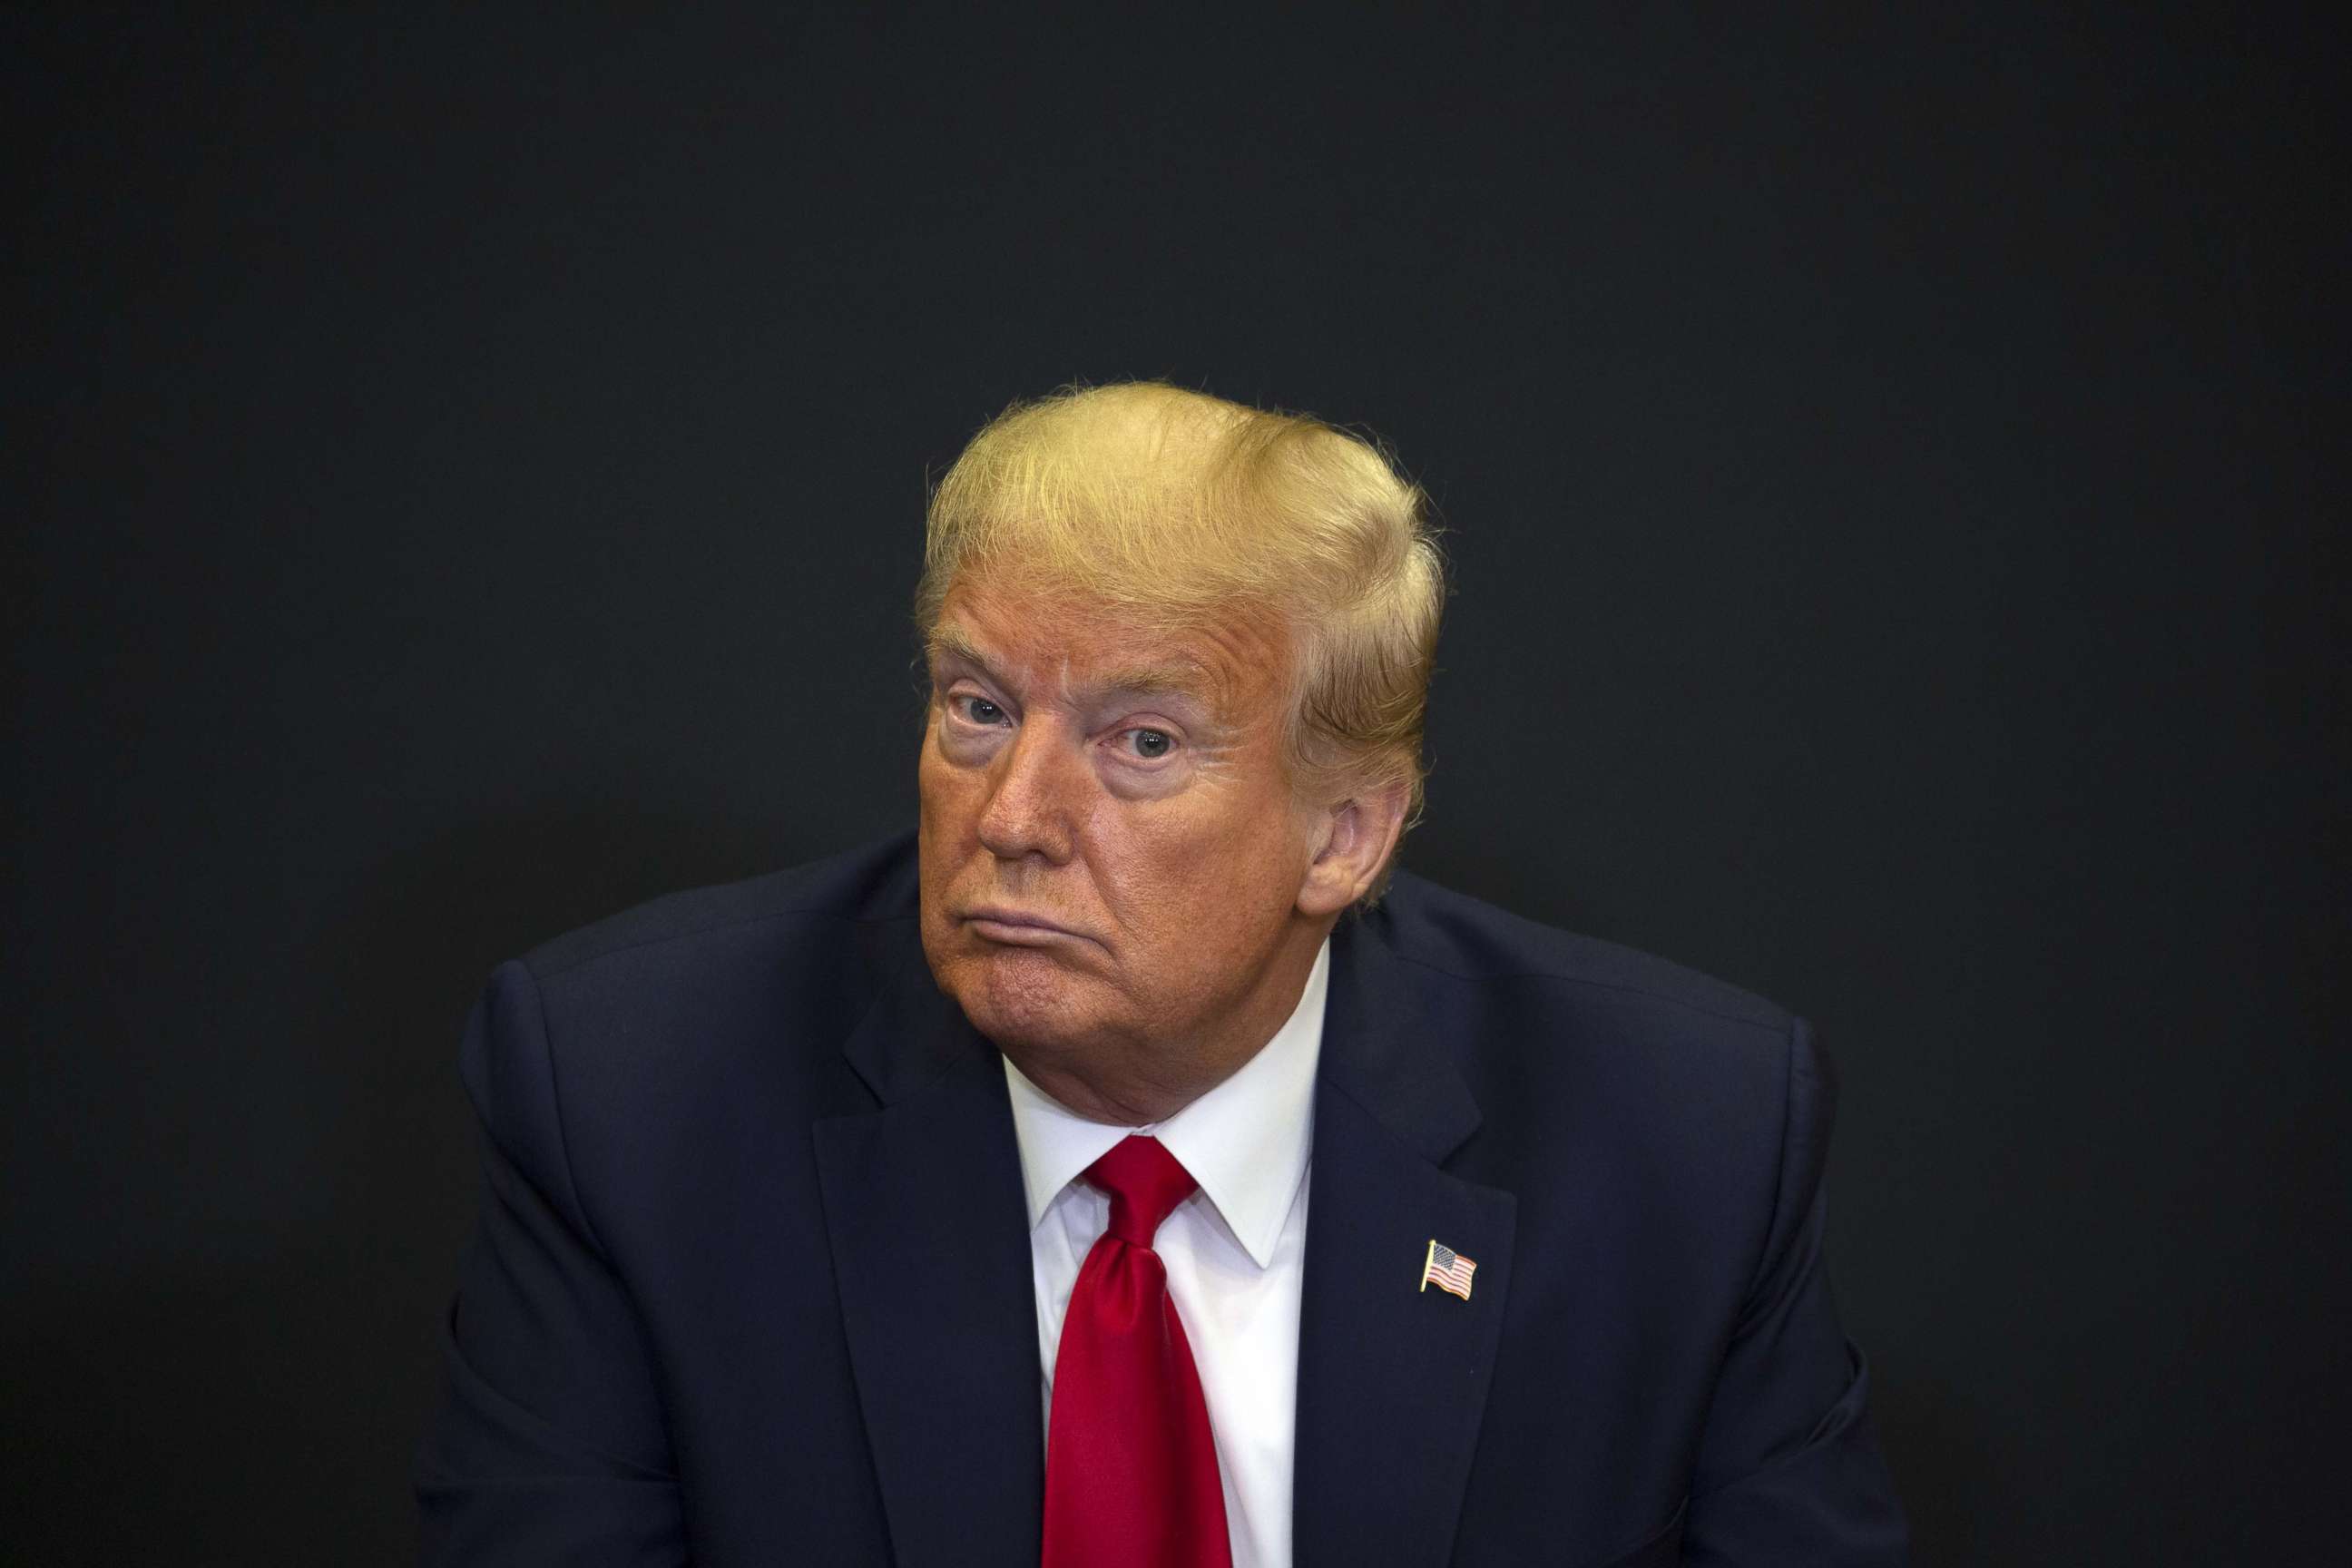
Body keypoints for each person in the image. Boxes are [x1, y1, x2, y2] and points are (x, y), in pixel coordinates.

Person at [415, 382, 1909, 1566]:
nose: (1011, 821)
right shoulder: (630, 1095)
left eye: (1142, 743)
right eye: (979, 707)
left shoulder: (1683, 1142)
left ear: (1343, 835)